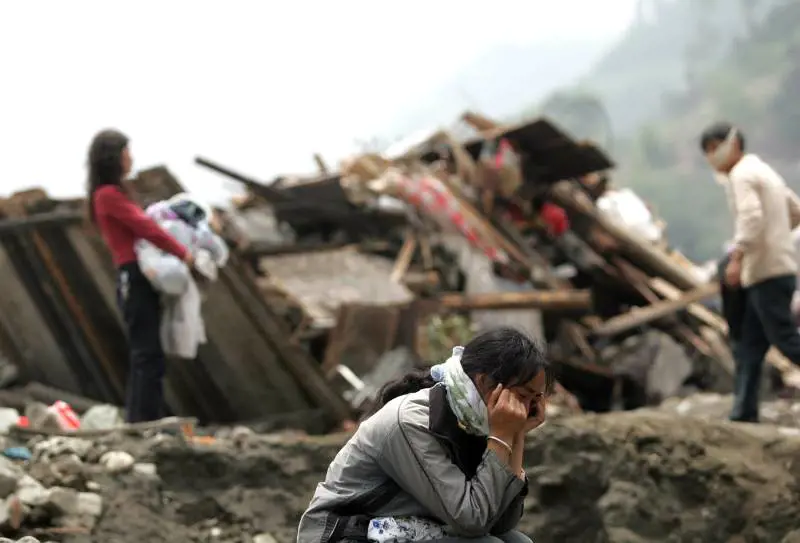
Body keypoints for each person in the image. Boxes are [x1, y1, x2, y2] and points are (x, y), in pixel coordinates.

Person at [297, 327, 553, 543]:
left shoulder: (476, 421)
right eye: (521, 396)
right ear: (485, 382)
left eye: (534, 400)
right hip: (345, 533)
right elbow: (471, 520)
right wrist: (502, 436)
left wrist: (516, 436)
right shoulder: (412, 422)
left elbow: (500, 523)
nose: (524, 410)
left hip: (405, 528)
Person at [86, 129, 194, 423]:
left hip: (136, 277)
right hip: (133, 277)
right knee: (148, 356)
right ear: (114, 158)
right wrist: (182, 252)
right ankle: (144, 422)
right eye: (126, 152)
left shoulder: (111, 194)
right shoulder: (108, 195)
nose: (130, 158)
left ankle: (141, 420)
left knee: (145, 355)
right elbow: (145, 227)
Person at [699, 122, 800, 421]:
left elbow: (752, 217)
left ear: (732, 144)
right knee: (750, 346)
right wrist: (776, 237)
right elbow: (795, 211)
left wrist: (738, 256)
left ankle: (743, 411)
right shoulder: (764, 170)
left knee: (785, 340)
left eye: (714, 148)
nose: (711, 157)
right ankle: (743, 413)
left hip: (765, 272)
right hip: (775, 269)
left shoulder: (741, 174)